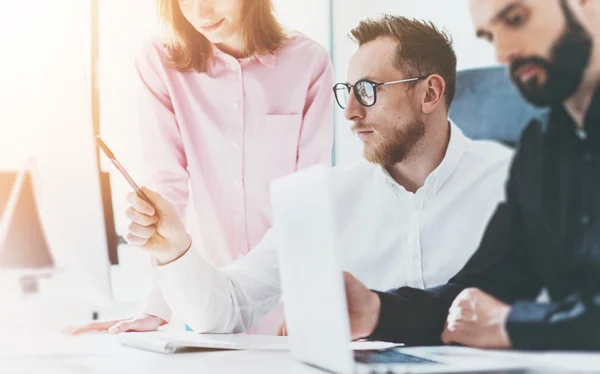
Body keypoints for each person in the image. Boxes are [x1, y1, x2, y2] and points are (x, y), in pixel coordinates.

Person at [111, 15, 513, 334]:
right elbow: (225, 310)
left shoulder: (512, 186)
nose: (351, 112)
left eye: (369, 90)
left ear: (429, 93)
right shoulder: (326, 198)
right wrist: (174, 250)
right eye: (347, 91)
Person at [343, 0, 600, 351]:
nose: (504, 53)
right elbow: (486, 287)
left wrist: (511, 325)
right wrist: (375, 312)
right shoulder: (542, 144)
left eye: (516, 19)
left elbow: (503, 317)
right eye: (491, 36)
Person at [69, 0, 334, 335]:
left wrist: (305, 302)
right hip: (199, 299)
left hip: (286, 303)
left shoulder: (309, 62)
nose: (202, 12)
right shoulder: (159, 60)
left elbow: (306, 199)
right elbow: (167, 185)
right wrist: (155, 308)